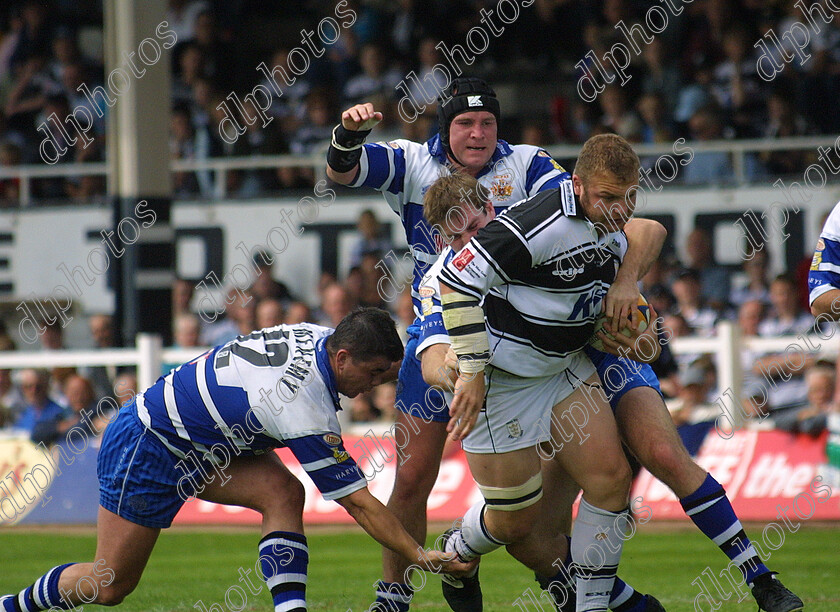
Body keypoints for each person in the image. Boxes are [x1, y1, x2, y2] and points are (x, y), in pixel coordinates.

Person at [424, 138, 803, 612]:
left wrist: (625, 293)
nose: (620, 210)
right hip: (504, 386)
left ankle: (600, 606)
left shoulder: (603, 216)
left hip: (565, 368)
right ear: (577, 186)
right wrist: (468, 373)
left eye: (629, 196)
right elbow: (445, 313)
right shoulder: (523, 230)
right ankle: (461, 548)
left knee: (613, 479)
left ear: (493, 205)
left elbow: (647, 234)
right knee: (519, 526)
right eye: (608, 198)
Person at [325, 77, 615, 612]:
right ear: (445, 127)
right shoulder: (413, 162)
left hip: (515, 340)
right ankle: (394, 597)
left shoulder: (528, 163)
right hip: (438, 328)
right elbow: (343, 170)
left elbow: (586, 207)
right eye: (464, 123)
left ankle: (566, 582)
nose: (477, 134)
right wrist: (348, 135)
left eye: (487, 123)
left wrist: (622, 280)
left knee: (537, 491)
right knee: (412, 477)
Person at [0, 309, 472, 612]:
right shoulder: (303, 402)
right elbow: (361, 504)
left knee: (283, 491)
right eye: (370, 374)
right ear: (343, 357)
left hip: (197, 443)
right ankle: (11, 607)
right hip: (149, 445)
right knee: (109, 586)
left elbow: (389, 358)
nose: (373, 385)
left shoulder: (322, 337)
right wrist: (417, 554)